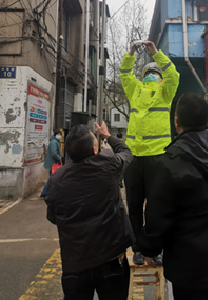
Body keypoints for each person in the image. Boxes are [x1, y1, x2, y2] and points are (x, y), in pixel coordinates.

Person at [137, 93, 208, 300]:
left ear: (176, 121)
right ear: (207, 119)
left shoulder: (170, 161)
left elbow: (157, 214)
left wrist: (149, 249)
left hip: (189, 268)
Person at [45, 122, 134, 300]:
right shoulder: (109, 166)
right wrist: (107, 135)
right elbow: (126, 152)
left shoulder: (56, 179)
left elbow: (53, 217)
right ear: (95, 150)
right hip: (111, 259)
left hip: (74, 264)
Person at [120, 40, 180, 265]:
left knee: (143, 207)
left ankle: (149, 249)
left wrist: (152, 53)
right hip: (146, 158)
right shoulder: (145, 89)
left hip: (145, 158)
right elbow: (126, 75)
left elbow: (172, 75)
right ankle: (143, 249)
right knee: (146, 206)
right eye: (151, 72)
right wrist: (133, 53)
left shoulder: (164, 91)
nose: (152, 76)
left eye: (154, 73)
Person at [40, 129, 62, 198]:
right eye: (58, 135)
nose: (59, 136)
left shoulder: (55, 142)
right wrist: (59, 158)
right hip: (53, 164)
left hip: (53, 163)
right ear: (55, 135)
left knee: (53, 178)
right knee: (52, 179)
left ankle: (47, 192)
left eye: (60, 135)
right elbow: (54, 153)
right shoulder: (54, 142)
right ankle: (44, 192)